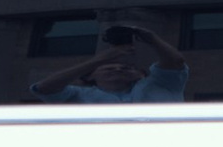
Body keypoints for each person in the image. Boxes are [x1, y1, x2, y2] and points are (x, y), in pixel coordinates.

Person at [34, 17, 191, 103]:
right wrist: (97, 60)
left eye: (126, 68)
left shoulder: (160, 85)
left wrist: (152, 38)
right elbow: (44, 88)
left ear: (142, 74)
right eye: (108, 68)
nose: (117, 69)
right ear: (90, 77)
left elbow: (175, 62)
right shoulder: (77, 94)